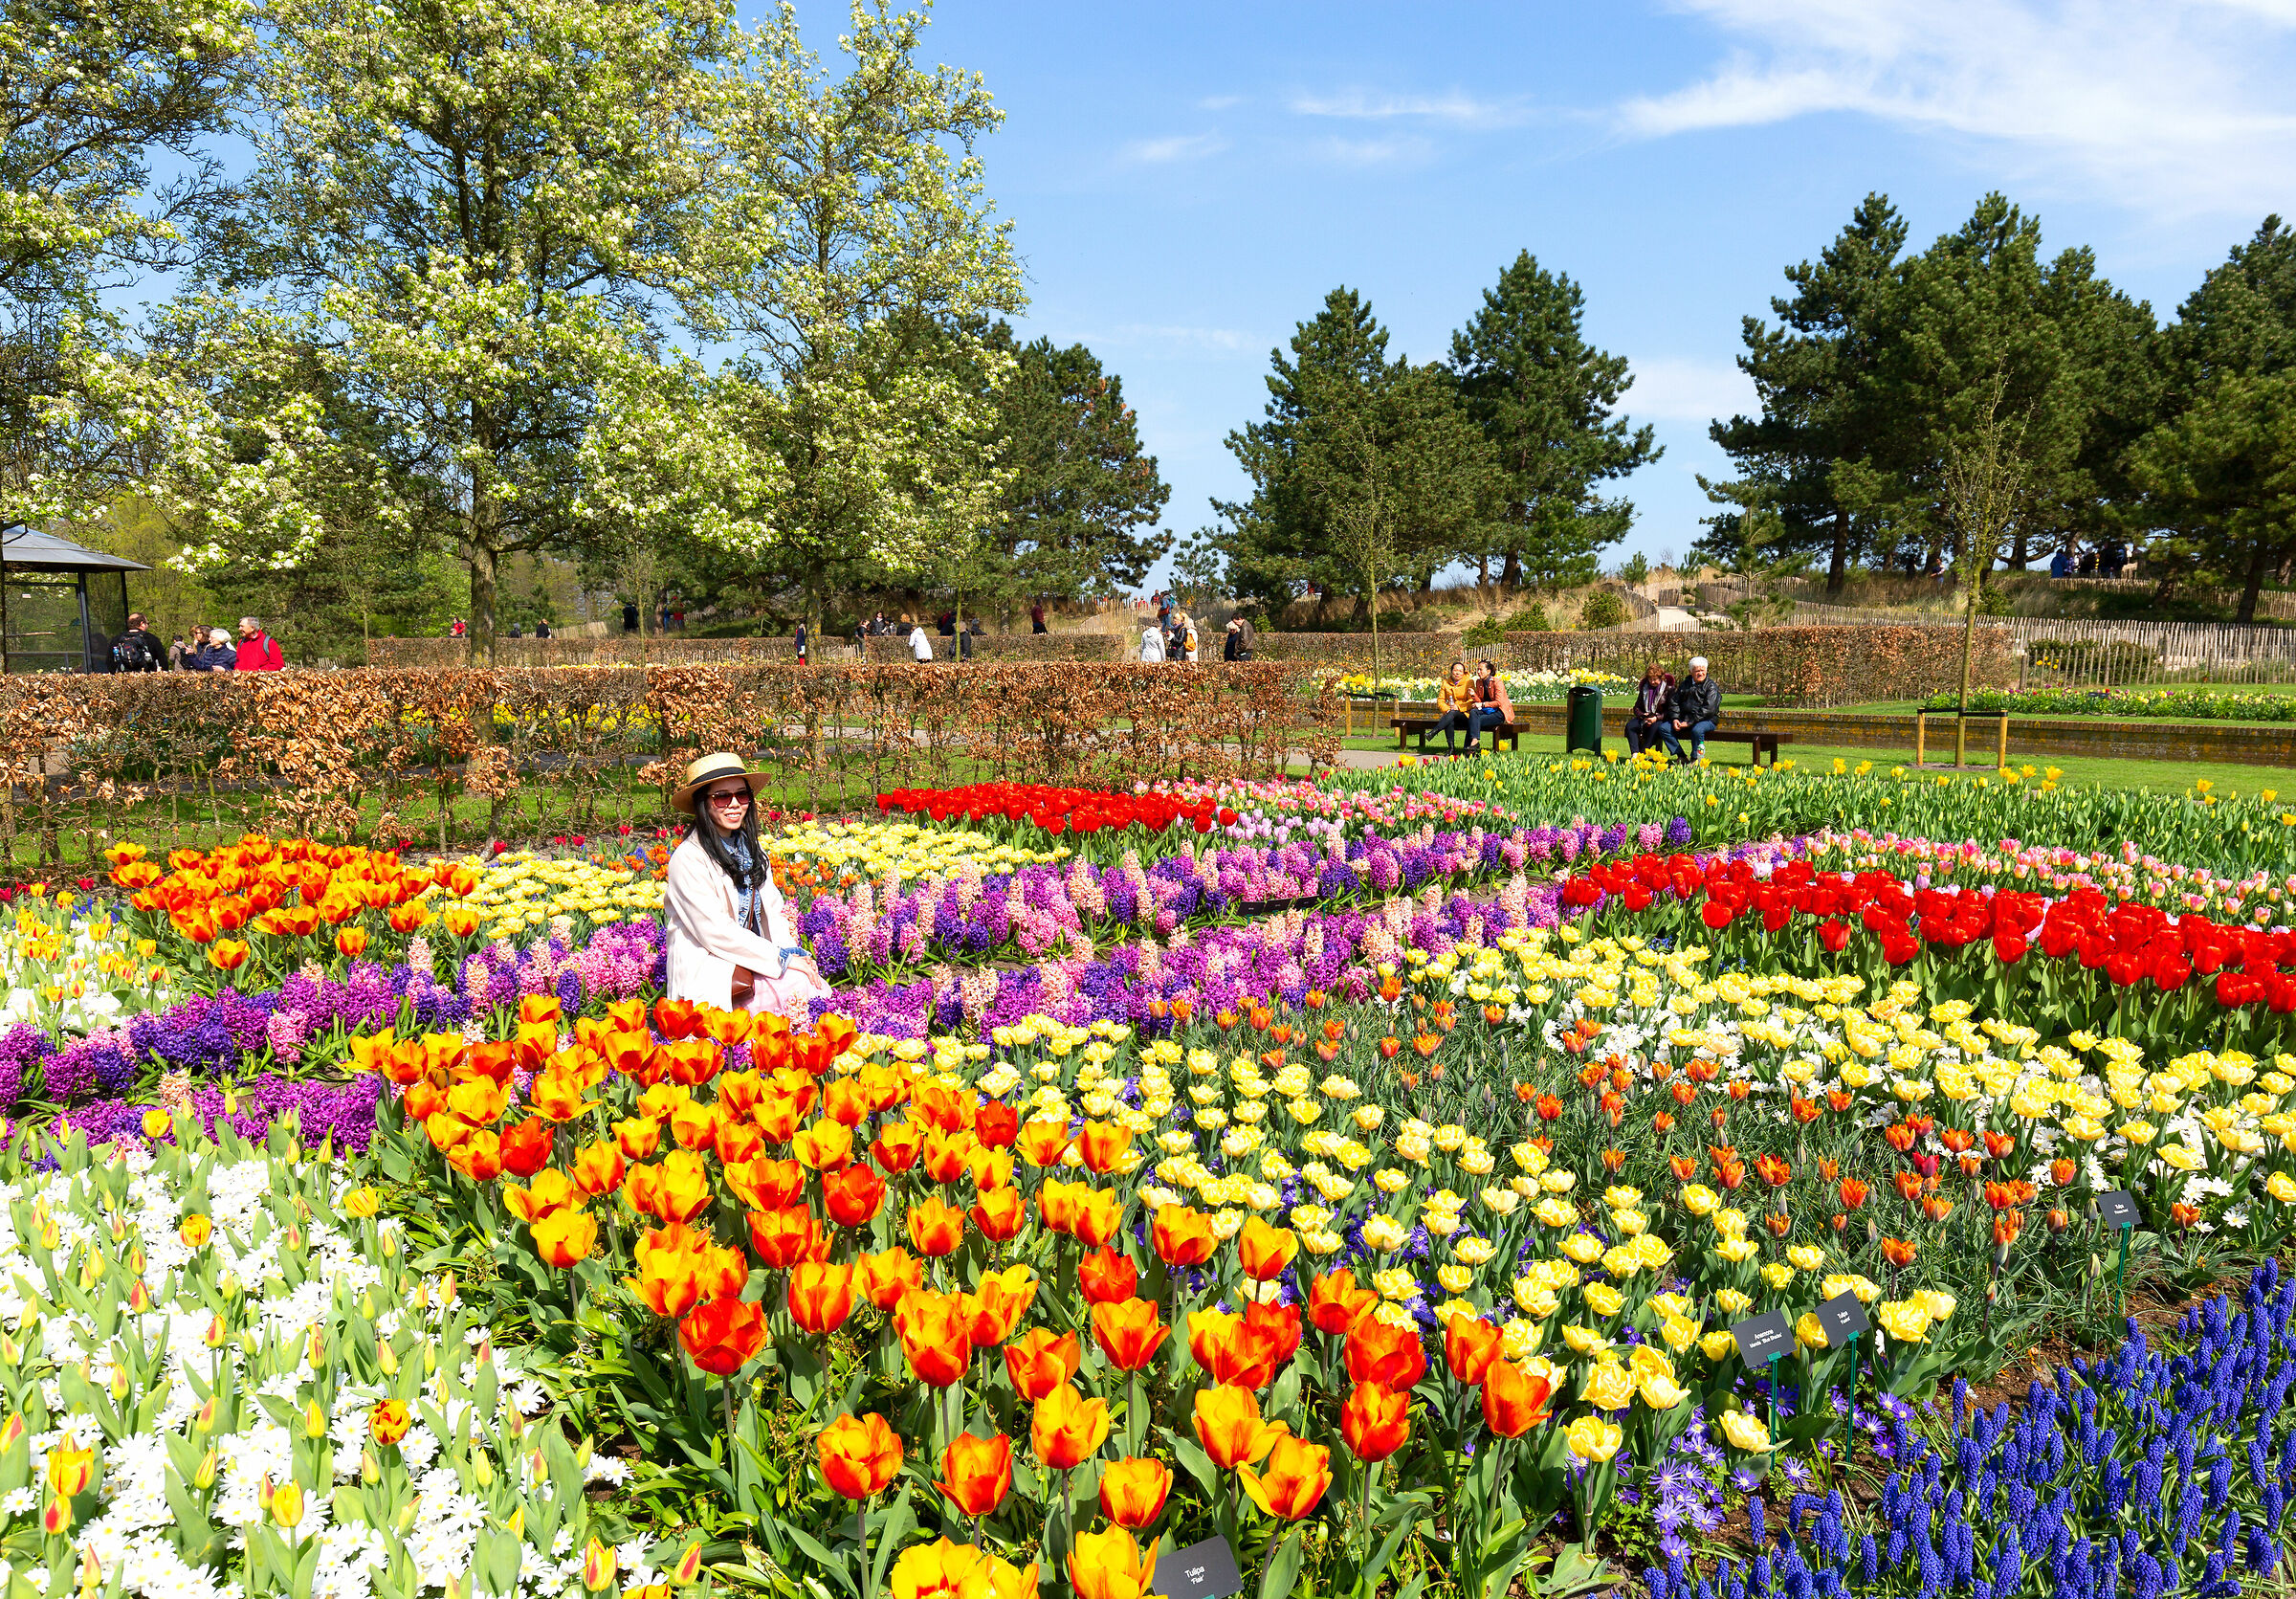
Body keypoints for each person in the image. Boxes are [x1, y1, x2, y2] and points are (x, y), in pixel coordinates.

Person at [663, 752, 830, 1017]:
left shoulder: (750, 847)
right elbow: (715, 932)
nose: (734, 804)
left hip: (752, 957)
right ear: (702, 803)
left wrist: (792, 955)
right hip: (712, 965)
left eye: (742, 795)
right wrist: (782, 961)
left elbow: (773, 914)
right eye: (721, 797)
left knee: (810, 984)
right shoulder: (688, 859)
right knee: (797, 992)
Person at [1660, 655, 1720, 764]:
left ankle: (1695, 759)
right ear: (1691, 672)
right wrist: (1675, 719)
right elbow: (1674, 702)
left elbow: (1709, 709)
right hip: (1685, 719)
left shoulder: (1711, 687)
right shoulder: (1685, 684)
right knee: (1664, 728)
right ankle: (1681, 756)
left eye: (1703, 670)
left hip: (1707, 720)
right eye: (1697, 671)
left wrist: (1690, 722)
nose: (1700, 673)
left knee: (1697, 730)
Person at [1624, 660, 1675, 756]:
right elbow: (1637, 707)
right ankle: (1635, 754)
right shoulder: (1644, 688)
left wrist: (1656, 718)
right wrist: (1642, 715)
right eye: (1650, 679)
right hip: (1645, 716)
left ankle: (1643, 753)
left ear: (1661, 678)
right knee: (1630, 726)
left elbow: (1671, 710)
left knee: (1655, 728)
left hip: (1661, 718)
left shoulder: (1669, 689)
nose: (1652, 682)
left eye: (1655, 679)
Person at [1466, 659, 1513, 754]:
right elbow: (1480, 701)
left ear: (1488, 671)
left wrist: (1482, 704)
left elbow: (1498, 702)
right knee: (1473, 713)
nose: (1478, 672)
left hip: (1499, 713)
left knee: (1474, 720)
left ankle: (1469, 748)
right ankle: (1474, 743)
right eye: (1477, 670)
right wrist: (1474, 695)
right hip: (1487, 710)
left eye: (1481, 670)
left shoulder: (1497, 682)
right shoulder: (1479, 682)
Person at [1431, 659, 1474, 756]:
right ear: (1451, 671)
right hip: (1451, 715)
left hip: (1465, 715)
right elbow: (1440, 700)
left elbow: (1472, 701)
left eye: (1460, 671)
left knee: (1453, 712)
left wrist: (1458, 707)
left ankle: (1435, 731)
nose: (1457, 673)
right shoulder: (1446, 683)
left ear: (1463, 673)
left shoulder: (1469, 682)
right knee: (1449, 718)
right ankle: (1451, 748)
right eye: (1455, 670)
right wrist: (1446, 709)